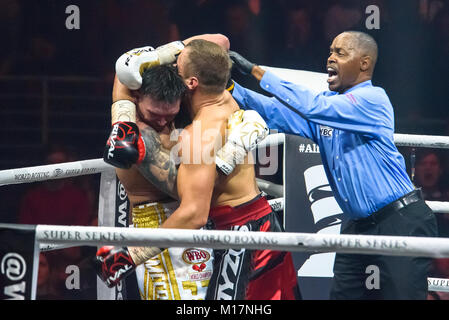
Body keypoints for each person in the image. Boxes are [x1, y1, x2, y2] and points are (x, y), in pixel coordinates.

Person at [228, 30, 438, 300]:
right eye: (330, 51)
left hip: (399, 220)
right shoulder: (329, 108)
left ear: (364, 63)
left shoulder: (373, 100)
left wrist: (257, 72)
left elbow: (314, 107)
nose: (330, 58)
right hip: (357, 224)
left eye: (340, 52)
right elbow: (276, 113)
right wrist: (235, 89)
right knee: (342, 296)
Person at [96, 38, 300, 300]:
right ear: (136, 96)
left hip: (223, 230)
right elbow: (124, 74)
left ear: (187, 86)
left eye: (169, 114)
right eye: (154, 113)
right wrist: (122, 119)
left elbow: (193, 211)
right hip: (183, 229)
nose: (162, 120)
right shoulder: (219, 101)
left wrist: (130, 255)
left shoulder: (195, 128)